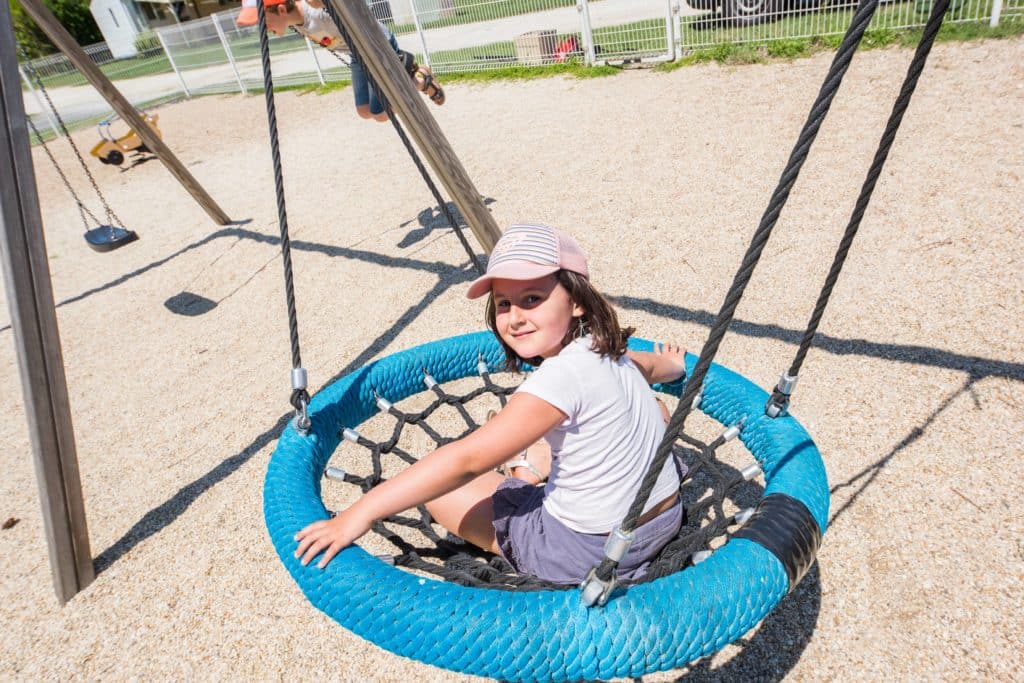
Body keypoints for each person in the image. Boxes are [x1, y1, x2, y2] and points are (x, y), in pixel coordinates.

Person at [295, 223, 688, 584]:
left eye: (532, 298)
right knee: (654, 409)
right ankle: (535, 462)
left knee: (443, 490)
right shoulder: (611, 351)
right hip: (663, 518)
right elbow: (653, 366)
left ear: (577, 301)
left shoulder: (559, 378)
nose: (515, 318)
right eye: (504, 304)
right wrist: (673, 364)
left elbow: (466, 460)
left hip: (586, 553)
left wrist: (358, 514)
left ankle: (524, 470)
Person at [236, 0, 445, 122]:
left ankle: (418, 78)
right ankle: (413, 79)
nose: (263, 29)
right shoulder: (296, 24)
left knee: (381, 113)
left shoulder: (315, 8)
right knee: (364, 111)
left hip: (375, 46)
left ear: (281, 10)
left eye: (264, 21)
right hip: (357, 54)